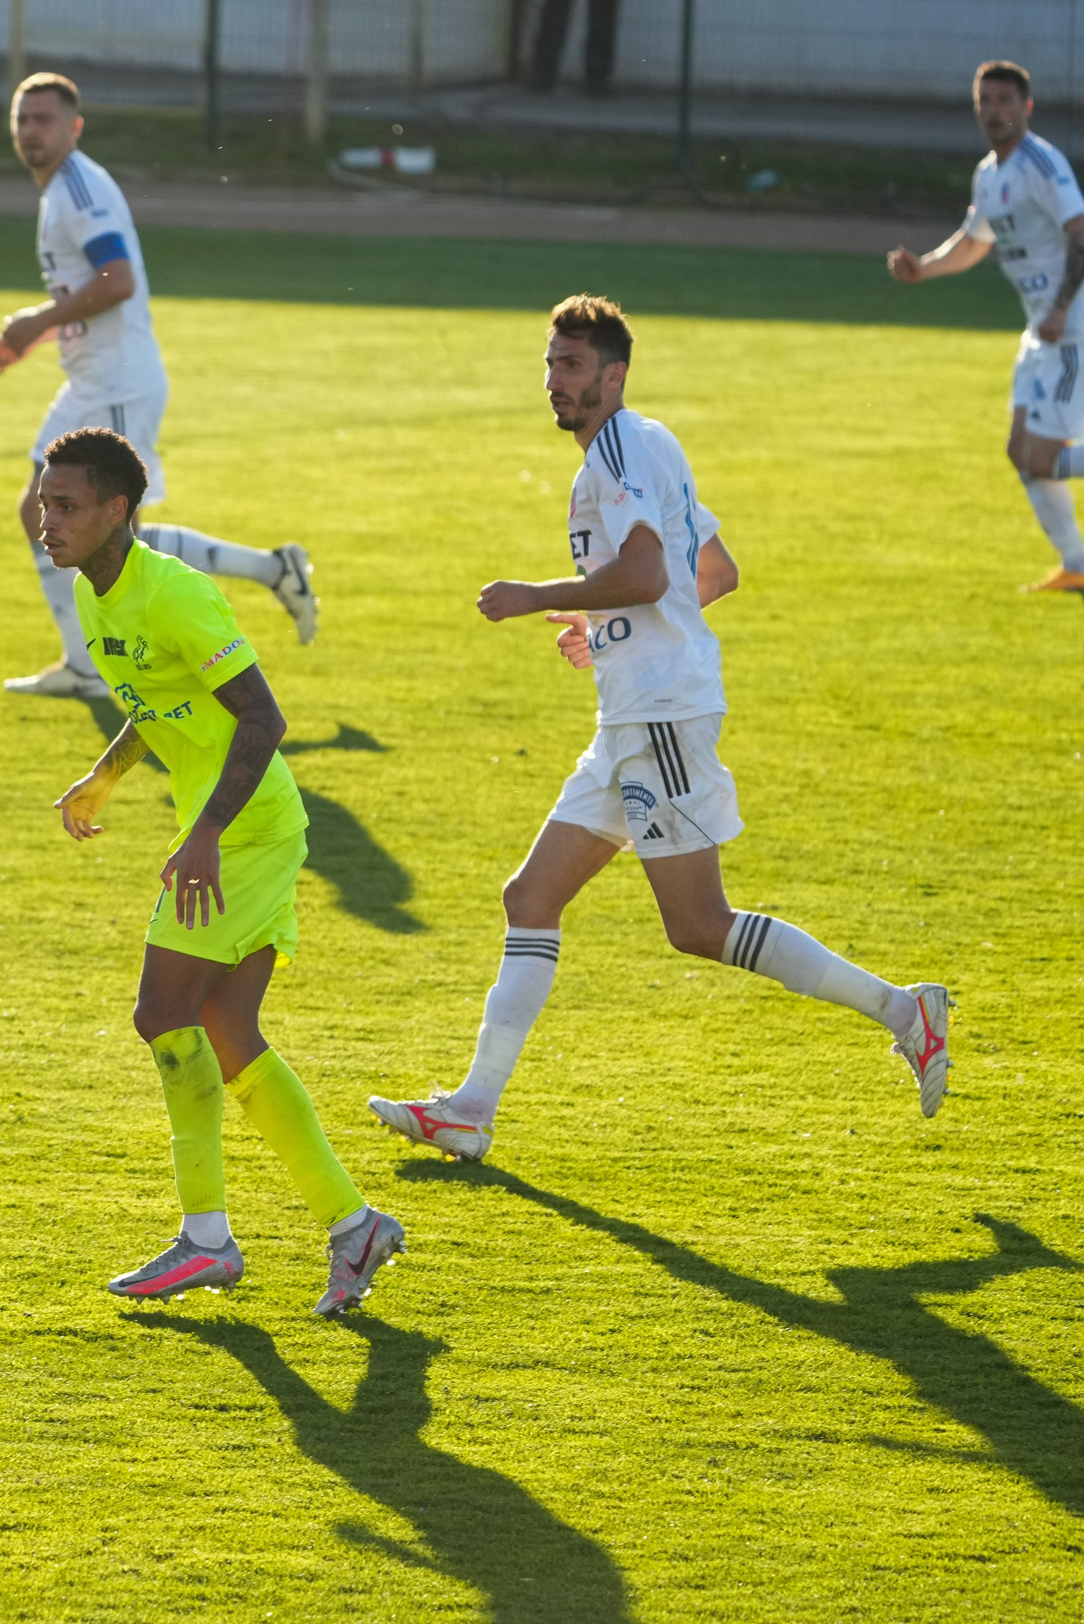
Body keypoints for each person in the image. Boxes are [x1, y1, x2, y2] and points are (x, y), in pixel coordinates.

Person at [367, 297, 951, 1164]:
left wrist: (540, 597)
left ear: (614, 375)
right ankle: (471, 1108)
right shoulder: (649, 442)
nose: (555, 381)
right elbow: (712, 570)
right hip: (631, 715)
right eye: (550, 363)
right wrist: (601, 628)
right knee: (530, 897)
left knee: (698, 923)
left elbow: (645, 573)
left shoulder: (619, 450)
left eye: (572, 367)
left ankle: (907, 1011)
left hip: (662, 713)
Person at [41, 427, 403, 1316]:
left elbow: (263, 719)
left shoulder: (174, 596)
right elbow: (158, 705)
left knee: (162, 1012)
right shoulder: (96, 590)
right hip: (241, 829)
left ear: (117, 510)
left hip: (244, 832)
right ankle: (351, 1225)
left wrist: (202, 833)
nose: (45, 522)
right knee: (227, 1028)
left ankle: (207, 1238)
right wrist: (107, 774)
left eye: (66, 506)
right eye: (45, 503)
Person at [0, 74, 317, 699]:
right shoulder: (60, 190)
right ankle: (85, 666)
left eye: (44, 120)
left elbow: (118, 281)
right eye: (22, 119)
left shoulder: (78, 189)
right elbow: (95, 294)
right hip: (97, 378)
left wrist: (39, 320)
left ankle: (272, 569)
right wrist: (34, 332)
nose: (31, 131)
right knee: (42, 511)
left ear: (73, 127)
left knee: (114, 536)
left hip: (116, 383)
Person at [889, 60, 1084, 595]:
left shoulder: (1041, 163)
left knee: (1043, 456)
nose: (994, 111)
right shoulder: (989, 174)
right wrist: (924, 268)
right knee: (1020, 453)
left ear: (1026, 107)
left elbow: (1080, 229)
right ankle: (1077, 564)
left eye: (1005, 101)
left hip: (1073, 330)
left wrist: (1063, 306)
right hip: (1039, 333)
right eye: (986, 101)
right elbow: (975, 241)